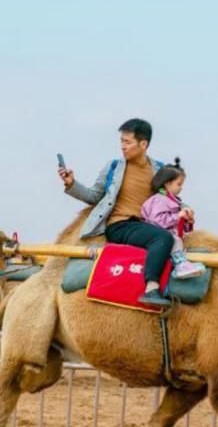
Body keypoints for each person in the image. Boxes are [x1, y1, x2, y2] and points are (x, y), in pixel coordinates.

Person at [58, 118, 173, 308]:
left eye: (127, 142)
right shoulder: (114, 167)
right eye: (121, 141)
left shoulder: (159, 169)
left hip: (148, 225)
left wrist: (184, 209)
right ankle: (151, 288)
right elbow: (94, 196)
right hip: (121, 225)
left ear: (143, 144)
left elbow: (168, 197)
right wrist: (71, 184)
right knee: (162, 240)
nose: (123, 147)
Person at [140, 159, 206, 280]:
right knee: (174, 239)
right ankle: (180, 265)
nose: (181, 188)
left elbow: (176, 224)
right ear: (167, 183)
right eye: (179, 184)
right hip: (158, 235)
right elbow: (157, 220)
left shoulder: (173, 201)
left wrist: (187, 221)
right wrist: (178, 216)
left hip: (170, 234)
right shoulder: (159, 199)